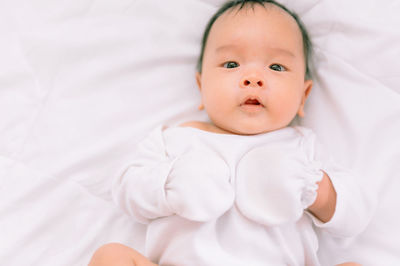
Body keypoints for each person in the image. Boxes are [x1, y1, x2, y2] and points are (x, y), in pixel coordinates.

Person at [89, 0, 370, 265]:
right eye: (231, 64)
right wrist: (171, 182)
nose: (253, 78)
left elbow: (355, 216)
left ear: (302, 96)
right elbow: (126, 189)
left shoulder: (304, 148)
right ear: (201, 87)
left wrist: (317, 191)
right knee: (110, 256)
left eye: (276, 67)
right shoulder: (175, 139)